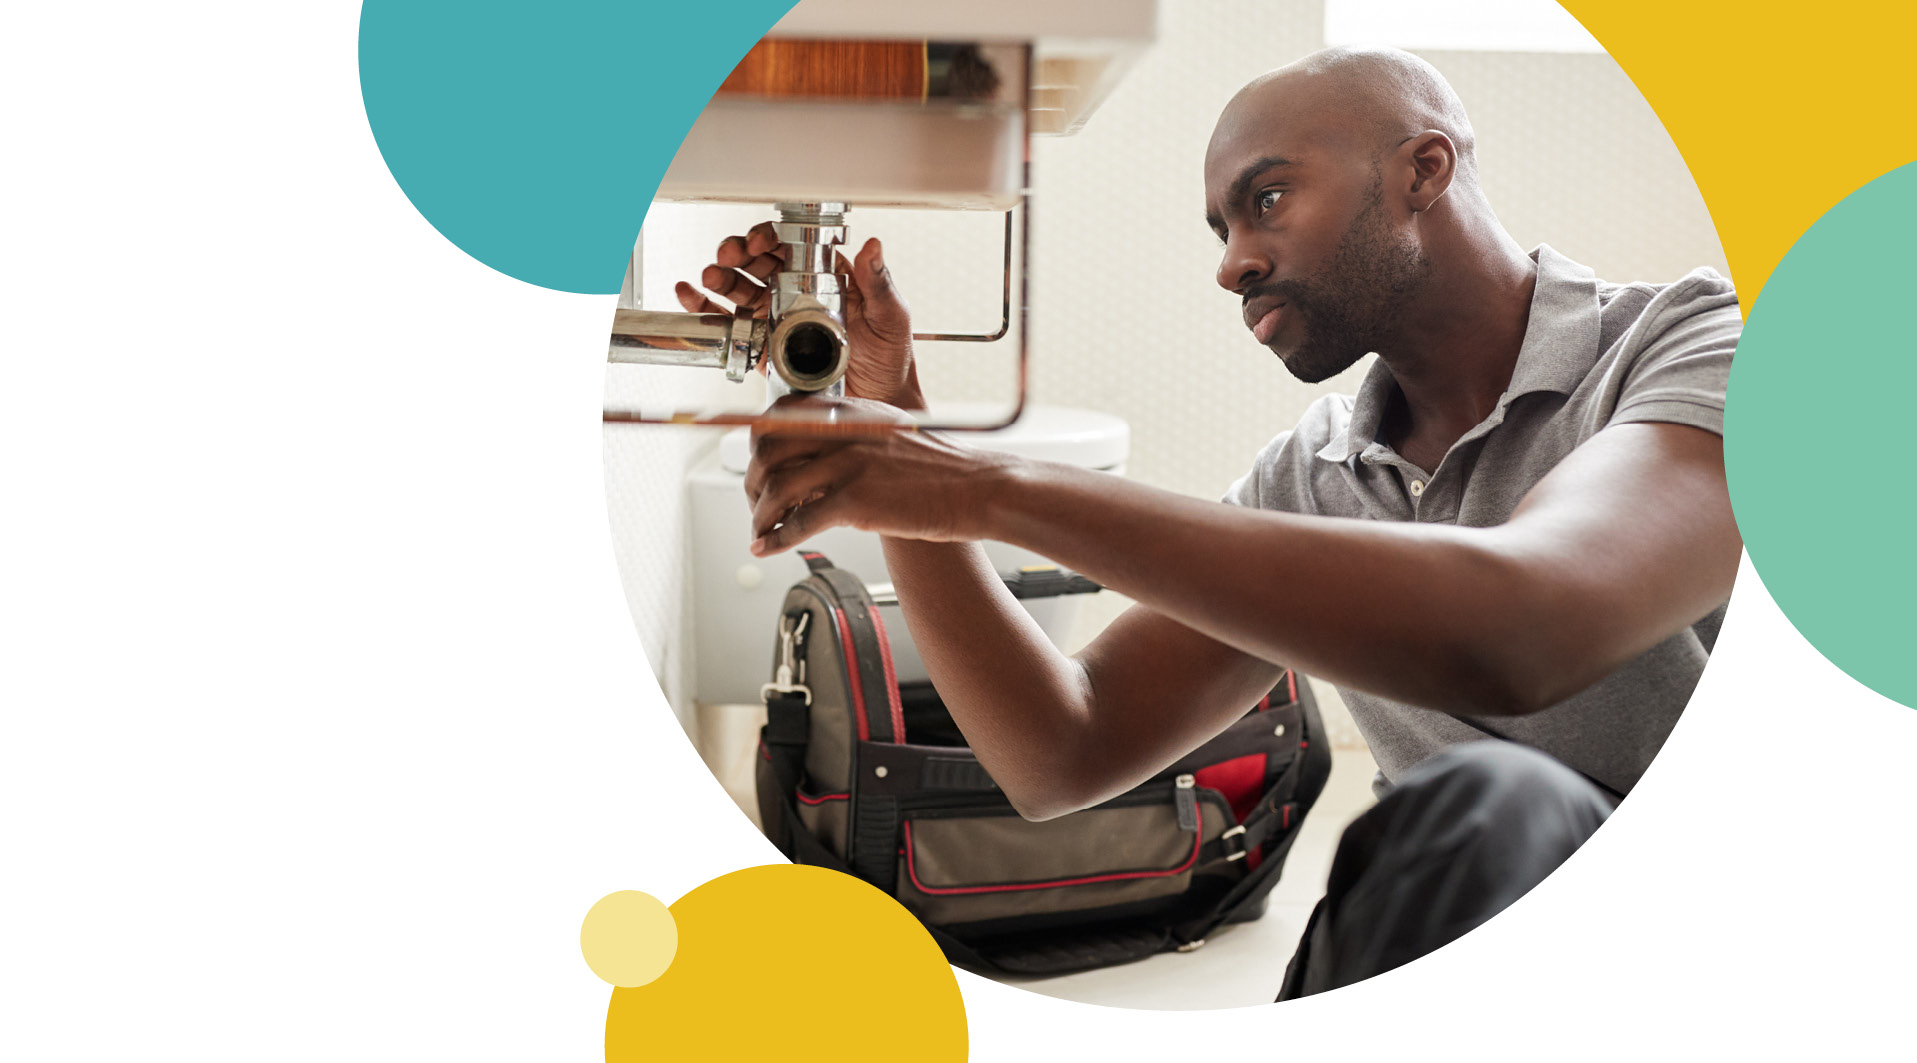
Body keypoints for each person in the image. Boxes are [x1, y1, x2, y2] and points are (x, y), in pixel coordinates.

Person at [673, 46, 1741, 998]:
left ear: (1423, 170)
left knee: (1490, 800)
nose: (1232, 262)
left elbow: (1529, 627)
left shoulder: (1695, 346)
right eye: (1223, 229)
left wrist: (975, 484)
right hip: (1457, 941)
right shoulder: (1316, 472)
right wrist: (899, 427)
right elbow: (1059, 751)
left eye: (1266, 200)